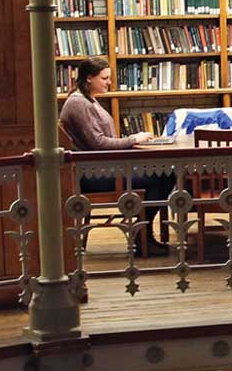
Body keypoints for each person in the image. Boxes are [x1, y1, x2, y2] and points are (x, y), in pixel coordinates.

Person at [59, 56, 175, 252]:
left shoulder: (88, 100)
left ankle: (143, 234)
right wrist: (133, 139)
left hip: (102, 168)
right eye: (104, 78)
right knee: (163, 175)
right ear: (89, 78)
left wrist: (131, 141)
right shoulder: (79, 104)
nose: (109, 82)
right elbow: (98, 143)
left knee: (163, 173)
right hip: (93, 174)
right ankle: (143, 237)